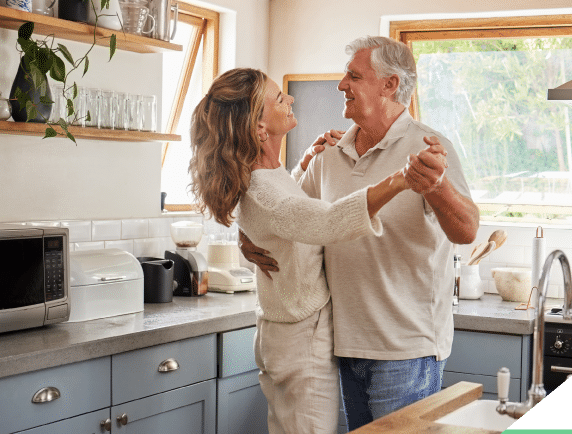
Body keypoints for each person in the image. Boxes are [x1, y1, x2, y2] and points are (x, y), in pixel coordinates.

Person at [187, 68, 441, 434]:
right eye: (279, 99)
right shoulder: (264, 192)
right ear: (260, 129)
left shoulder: (268, 175)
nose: (289, 99)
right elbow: (327, 221)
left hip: (287, 332)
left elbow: (286, 213)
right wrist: (399, 180)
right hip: (300, 339)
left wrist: (303, 165)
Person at [245, 36, 480, 430]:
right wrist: (247, 239)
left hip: (406, 351)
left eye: (353, 76)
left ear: (390, 84)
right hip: (343, 345)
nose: (341, 85)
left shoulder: (427, 146)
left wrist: (437, 187)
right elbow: (292, 223)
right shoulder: (329, 155)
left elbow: (467, 230)